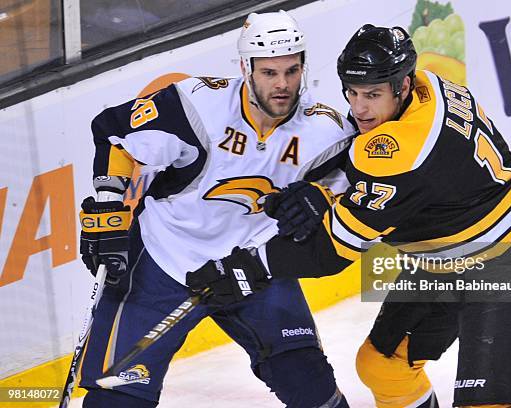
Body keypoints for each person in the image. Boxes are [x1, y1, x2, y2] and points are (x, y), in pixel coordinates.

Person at [187, 24, 511, 408]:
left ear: (401, 85)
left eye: (372, 94)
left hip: (510, 262)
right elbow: (368, 155)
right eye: (351, 92)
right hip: (447, 256)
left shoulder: (405, 151)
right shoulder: (430, 85)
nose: (359, 107)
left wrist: (252, 264)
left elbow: (333, 250)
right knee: (382, 366)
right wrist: (323, 189)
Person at [77, 10, 355, 408]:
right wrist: (108, 206)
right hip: (164, 265)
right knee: (116, 399)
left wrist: (322, 198)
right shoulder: (196, 105)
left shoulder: (326, 132)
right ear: (246, 68)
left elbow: (361, 185)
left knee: (313, 387)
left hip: (253, 269)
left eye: (292, 71)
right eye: (269, 73)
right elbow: (116, 134)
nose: (282, 85)